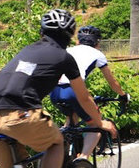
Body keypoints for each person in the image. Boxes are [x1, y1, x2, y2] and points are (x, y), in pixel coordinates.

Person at [0, 9, 117, 168]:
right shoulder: (64, 56)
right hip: (20, 114)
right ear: (70, 34)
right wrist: (100, 124)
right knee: (56, 143)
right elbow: (83, 97)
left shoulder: (27, 50)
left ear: (42, 31)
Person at [49, 25, 128, 160]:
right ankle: (83, 159)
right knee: (96, 124)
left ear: (78, 41)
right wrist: (122, 95)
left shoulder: (67, 49)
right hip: (73, 91)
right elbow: (112, 82)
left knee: (71, 120)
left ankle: (63, 156)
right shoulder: (98, 54)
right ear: (97, 43)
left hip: (54, 92)